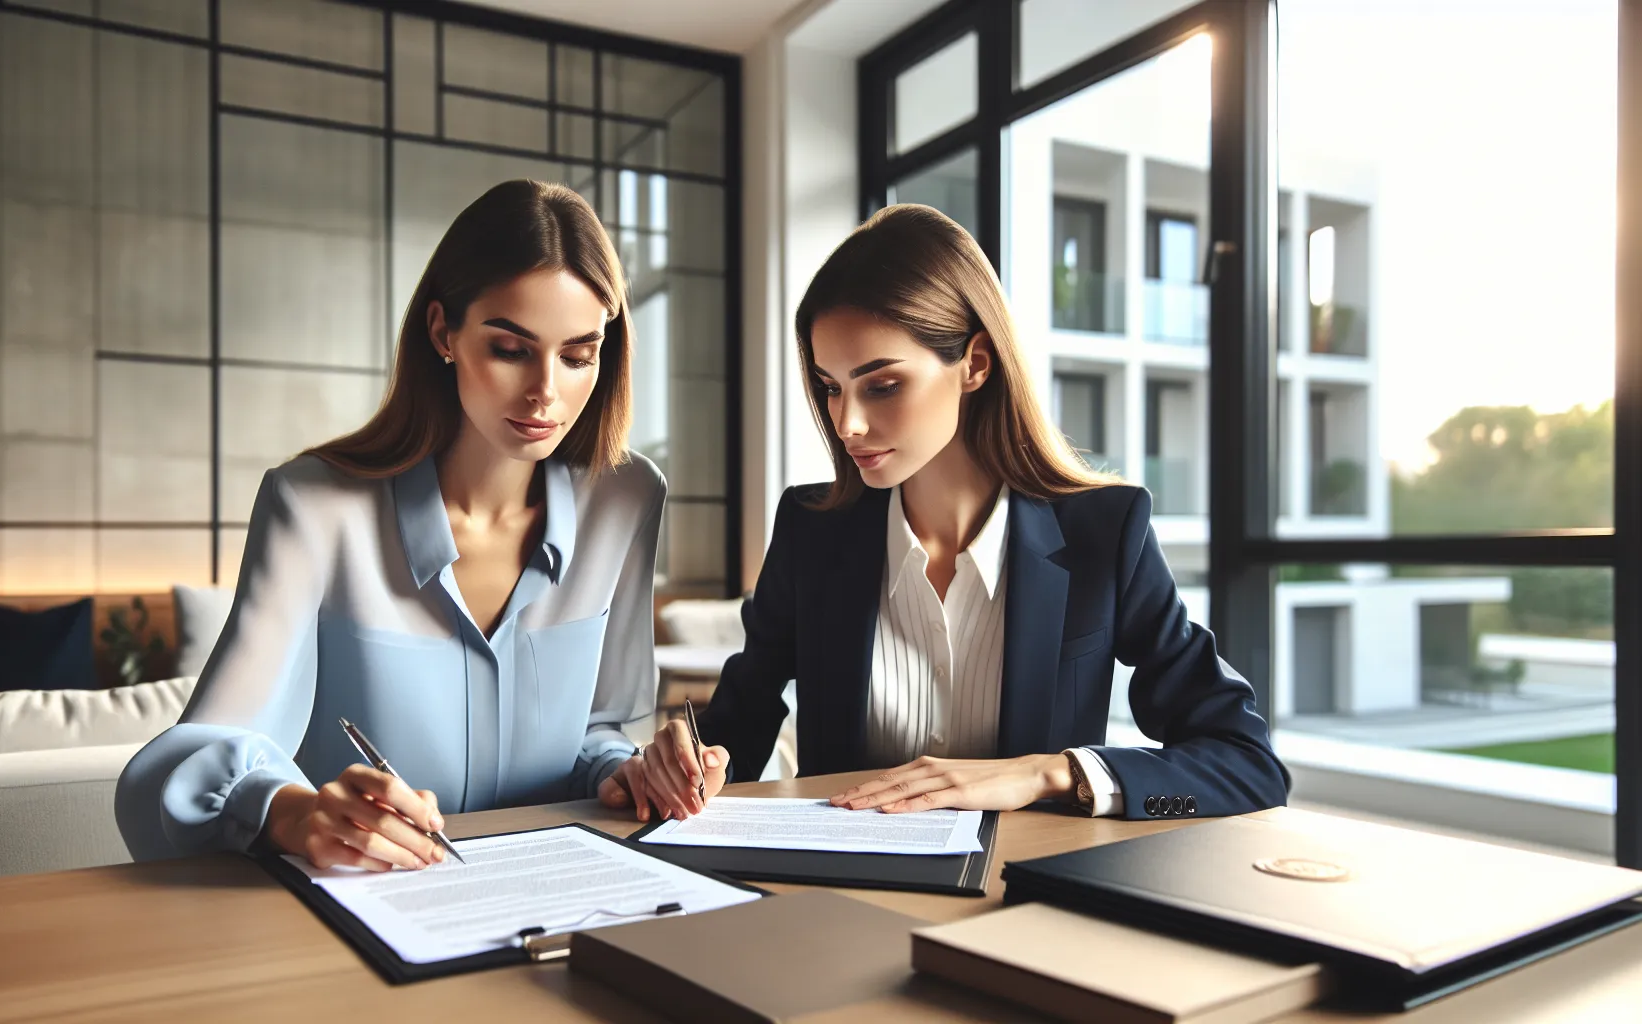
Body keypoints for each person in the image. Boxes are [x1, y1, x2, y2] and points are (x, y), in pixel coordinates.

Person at [600, 204, 1287, 823]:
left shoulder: (1104, 534)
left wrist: (1047, 774)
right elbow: (736, 736)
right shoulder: (813, 532)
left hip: (1022, 909)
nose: (849, 424)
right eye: (831, 389)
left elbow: (1248, 764)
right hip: (833, 901)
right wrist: (684, 764)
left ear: (976, 364)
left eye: (883, 384)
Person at [118, 180, 664, 871]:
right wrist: (293, 812)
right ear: (443, 332)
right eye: (510, 349)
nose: (546, 393)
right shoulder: (314, 508)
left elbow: (597, 731)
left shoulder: (626, 498)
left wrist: (628, 771)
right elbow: (177, 768)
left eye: (578, 355)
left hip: (564, 902)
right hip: (360, 922)